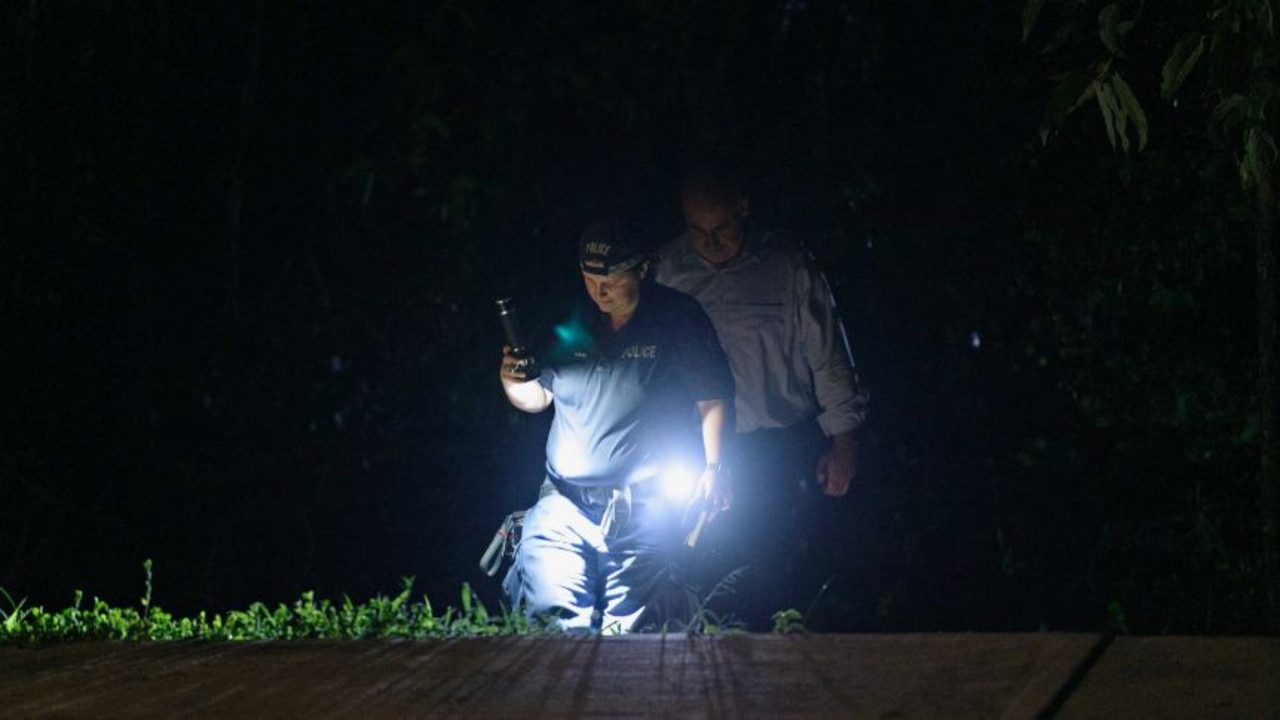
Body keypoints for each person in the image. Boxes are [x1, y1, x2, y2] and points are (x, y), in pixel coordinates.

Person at [653, 169, 870, 630]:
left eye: (722, 229)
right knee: (701, 581)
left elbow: (828, 355)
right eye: (698, 231)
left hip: (777, 448)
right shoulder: (669, 270)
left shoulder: (787, 265)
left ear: (744, 209)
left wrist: (844, 442)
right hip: (694, 452)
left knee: (777, 579)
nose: (710, 244)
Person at [499, 217, 735, 633]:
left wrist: (715, 467)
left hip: (643, 508)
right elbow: (537, 400)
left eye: (609, 278)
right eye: (589, 279)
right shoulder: (568, 319)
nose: (598, 291)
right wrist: (511, 380)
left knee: (628, 638)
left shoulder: (678, 318)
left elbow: (712, 397)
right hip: (563, 502)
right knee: (552, 625)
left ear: (643, 268)